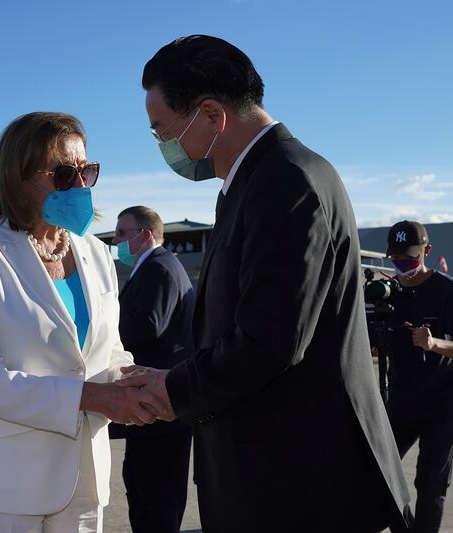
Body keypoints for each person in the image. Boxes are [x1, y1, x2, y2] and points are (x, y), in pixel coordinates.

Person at [119, 35, 413, 532]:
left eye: (162, 131)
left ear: (211, 115)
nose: (164, 147)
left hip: (299, 482)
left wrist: (173, 387)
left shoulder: (287, 180)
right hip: (273, 472)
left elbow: (270, 340)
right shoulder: (254, 181)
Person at [0, 112, 165, 533]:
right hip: (2, 483)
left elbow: (106, 352)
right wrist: (91, 397)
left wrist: (138, 383)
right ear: (19, 178)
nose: (80, 186)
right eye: (63, 175)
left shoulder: (96, 253)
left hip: (85, 478)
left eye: (87, 171)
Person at [385, 220, 453, 533]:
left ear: (427, 251)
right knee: (375, 473)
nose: (402, 265)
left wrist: (434, 343)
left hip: (443, 405)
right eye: (396, 259)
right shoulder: (387, 293)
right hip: (401, 401)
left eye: (409, 258)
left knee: (430, 483)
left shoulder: (450, 291)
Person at [108, 206, 194, 533]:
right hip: (152, 410)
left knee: (155, 501)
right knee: (142, 490)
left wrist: (102, 329)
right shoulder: (154, 267)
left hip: (161, 412)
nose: (116, 241)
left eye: (121, 233)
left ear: (144, 235)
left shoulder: (159, 268)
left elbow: (148, 325)